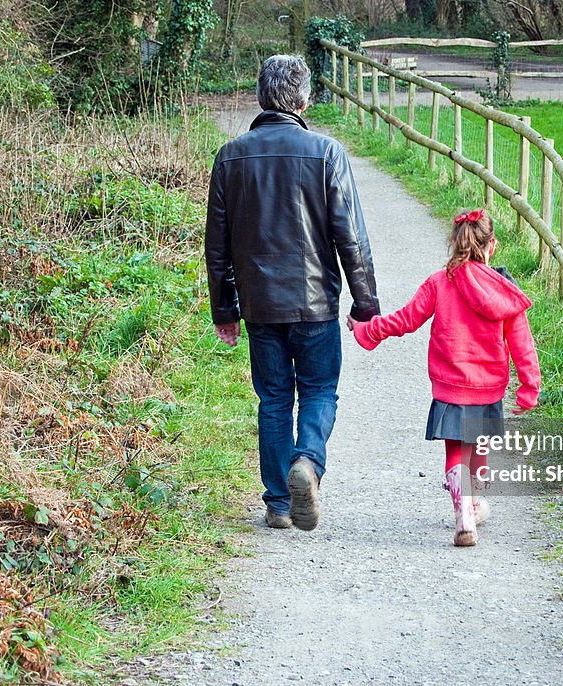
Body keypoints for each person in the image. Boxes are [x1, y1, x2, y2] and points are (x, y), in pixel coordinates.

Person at [205, 55, 380, 531]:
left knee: (275, 399)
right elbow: (351, 237)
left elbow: (216, 245)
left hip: (260, 306)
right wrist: (366, 304)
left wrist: (225, 308)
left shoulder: (230, 156)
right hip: (316, 302)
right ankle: (308, 462)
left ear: (261, 97)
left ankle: (279, 503)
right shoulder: (326, 153)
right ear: (304, 100)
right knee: (320, 390)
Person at [346, 210, 540, 546]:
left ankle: (462, 508)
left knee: (455, 450)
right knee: (478, 446)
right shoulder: (504, 292)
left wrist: (367, 329)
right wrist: (528, 387)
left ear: (454, 242)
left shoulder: (439, 283)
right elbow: (522, 343)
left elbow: (405, 320)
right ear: (491, 245)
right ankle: (473, 501)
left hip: (450, 386)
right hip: (488, 386)